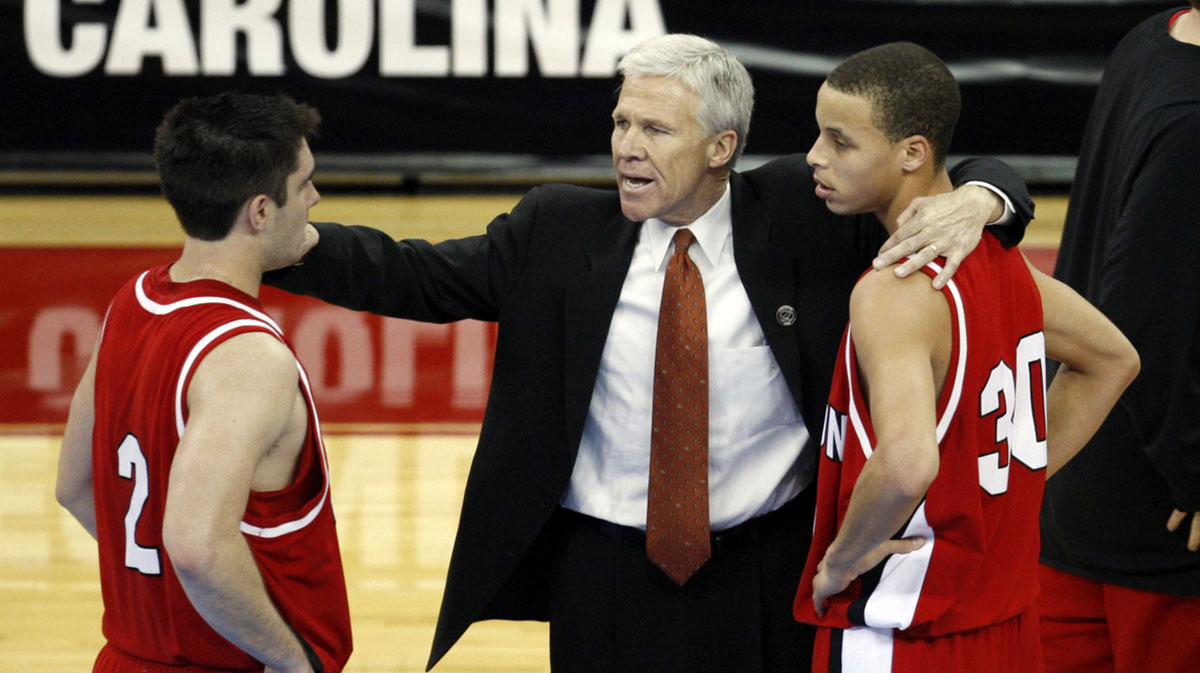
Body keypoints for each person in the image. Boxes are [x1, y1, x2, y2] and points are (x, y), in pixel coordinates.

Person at [265, 34, 1033, 672]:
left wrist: (985, 198)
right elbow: (413, 274)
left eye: (656, 130)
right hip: (603, 580)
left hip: (771, 571)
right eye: (622, 122)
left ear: (721, 146)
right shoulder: (556, 230)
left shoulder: (809, 213)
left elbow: (921, 167)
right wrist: (284, 243)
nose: (627, 147)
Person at [791, 42, 1139, 673]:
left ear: (912, 153)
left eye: (840, 142)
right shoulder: (1007, 267)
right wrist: (1009, 482)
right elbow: (1113, 359)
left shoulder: (892, 291)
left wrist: (841, 560)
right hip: (1006, 620)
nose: (815, 155)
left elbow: (905, 463)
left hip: (908, 628)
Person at [55, 92, 352, 673]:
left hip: (124, 658)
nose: (316, 198)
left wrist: (169, 599)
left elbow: (75, 486)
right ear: (261, 211)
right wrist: (293, 661)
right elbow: (195, 547)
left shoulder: (130, 301)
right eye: (306, 182)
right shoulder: (247, 356)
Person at [1037, 4, 1200, 672]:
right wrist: (1195, 470)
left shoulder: (1153, 39)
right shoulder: (1193, 118)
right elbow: (1144, 321)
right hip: (1165, 529)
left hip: (1082, 499)